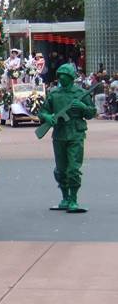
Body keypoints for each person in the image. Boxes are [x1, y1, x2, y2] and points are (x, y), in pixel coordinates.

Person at [38, 63, 97, 213]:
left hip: (76, 134)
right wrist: (48, 117)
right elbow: (42, 112)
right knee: (60, 170)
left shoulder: (81, 93)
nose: (61, 79)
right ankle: (65, 197)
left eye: (64, 77)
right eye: (60, 77)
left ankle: (73, 199)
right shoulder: (54, 94)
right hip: (59, 134)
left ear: (71, 78)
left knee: (73, 169)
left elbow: (91, 113)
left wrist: (83, 108)